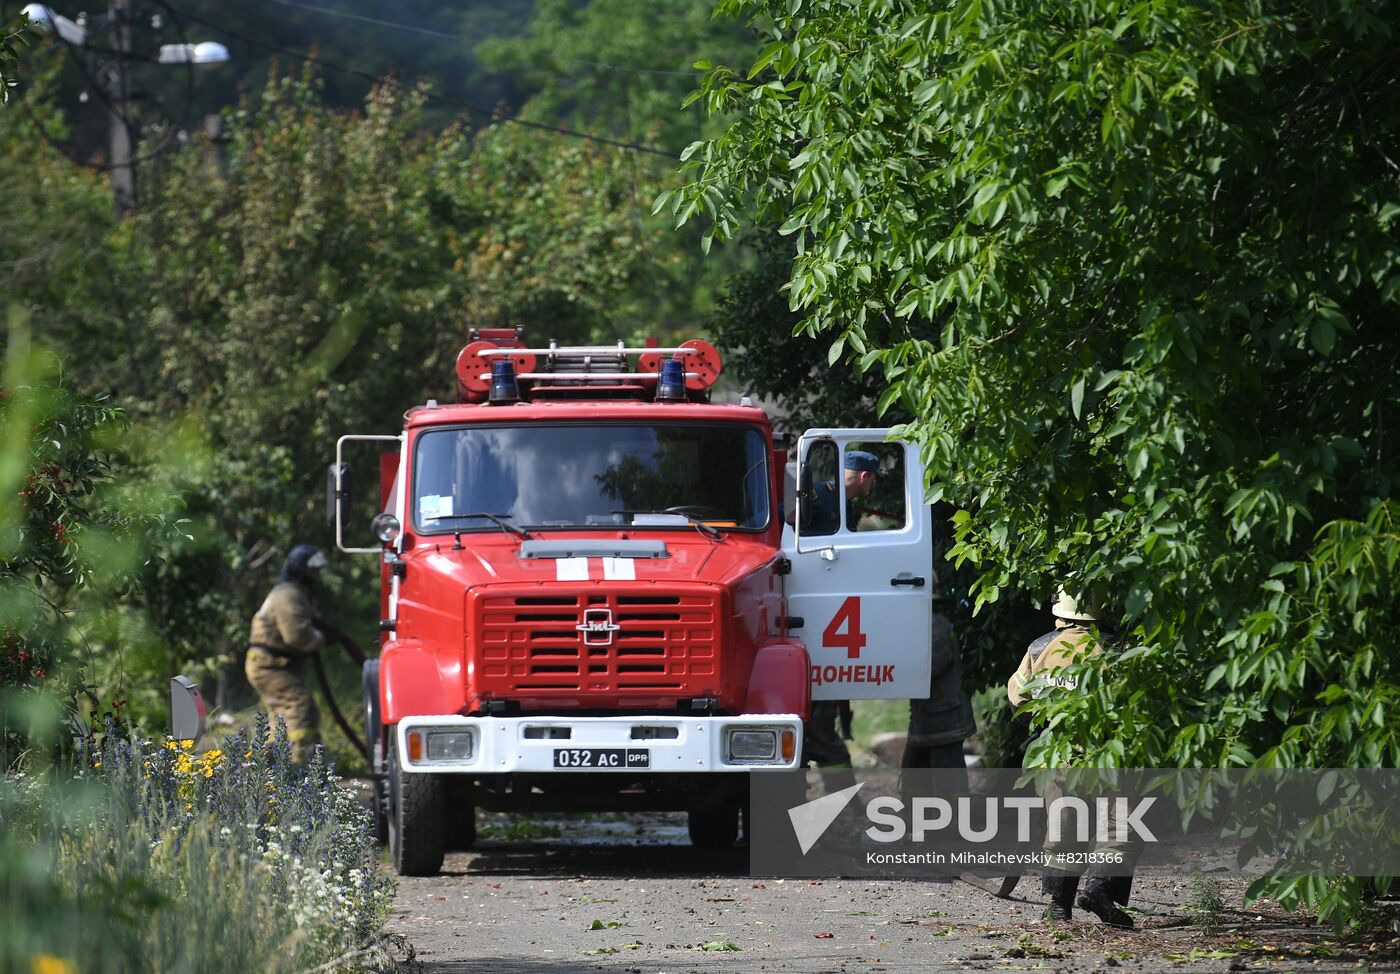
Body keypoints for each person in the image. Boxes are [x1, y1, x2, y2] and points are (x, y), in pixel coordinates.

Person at [1009, 587, 1137, 927]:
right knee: (1118, 825)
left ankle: (1058, 906)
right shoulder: (1118, 648)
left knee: (1064, 825)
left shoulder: (1041, 647)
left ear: (1060, 611)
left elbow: (1019, 698)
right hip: (1110, 752)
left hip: (1060, 752)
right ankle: (1099, 889)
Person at [799, 450, 880, 785]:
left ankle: (844, 807)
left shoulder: (845, 504)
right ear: (864, 477)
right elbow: (793, 528)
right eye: (873, 479)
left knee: (826, 724)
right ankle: (845, 808)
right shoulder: (819, 496)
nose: (872, 485)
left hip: (832, 606)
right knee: (824, 738)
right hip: (816, 604)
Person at [246, 544, 329, 764]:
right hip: (271, 665)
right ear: (301, 571)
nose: (316, 575)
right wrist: (320, 639)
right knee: (298, 707)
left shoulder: (294, 593)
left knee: (282, 716)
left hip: (274, 664)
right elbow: (297, 636)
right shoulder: (288, 594)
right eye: (313, 570)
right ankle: (297, 767)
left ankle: (275, 766)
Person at [901, 611, 975, 803]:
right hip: (928, 715)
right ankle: (917, 822)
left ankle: (951, 825)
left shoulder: (934, 624)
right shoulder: (928, 620)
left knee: (948, 778)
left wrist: (894, 674)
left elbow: (933, 662)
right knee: (915, 770)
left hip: (944, 717)